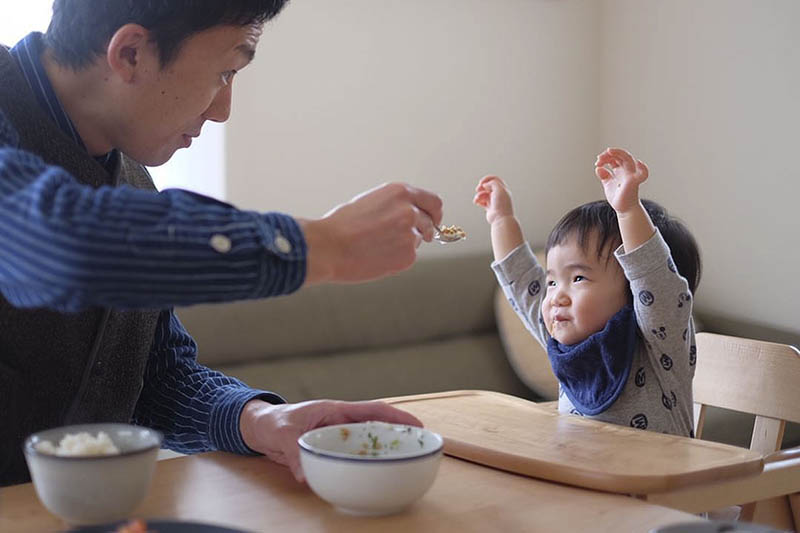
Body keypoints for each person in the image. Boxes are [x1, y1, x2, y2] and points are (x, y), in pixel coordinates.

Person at [0, 1, 445, 487]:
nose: (223, 109)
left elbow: (153, 377)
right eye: (225, 73)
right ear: (130, 53)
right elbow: (53, 246)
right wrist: (323, 244)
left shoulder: (130, 182)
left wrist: (257, 420)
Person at [473, 148, 702, 436]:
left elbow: (655, 282)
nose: (556, 296)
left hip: (661, 480)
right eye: (553, 282)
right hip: (584, 478)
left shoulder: (658, 343)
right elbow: (523, 286)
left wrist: (628, 211)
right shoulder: (569, 342)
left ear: (634, 290)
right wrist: (501, 220)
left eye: (578, 277)